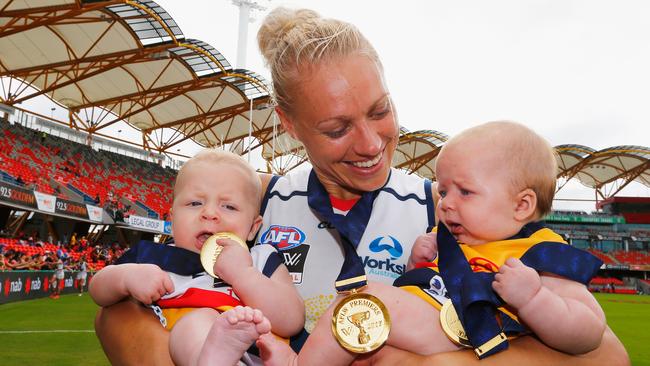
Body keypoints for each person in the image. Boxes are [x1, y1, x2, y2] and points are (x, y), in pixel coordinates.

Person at [94, 7, 629, 366]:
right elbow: (120, 317)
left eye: (380, 111)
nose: (372, 143)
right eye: (337, 128)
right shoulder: (248, 208)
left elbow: (609, 355)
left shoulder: (443, 207)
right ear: (288, 123)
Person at [257, 121, 607, 365]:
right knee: (362, 310)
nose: (447, 203)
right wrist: (415, 266)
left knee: (366, 302)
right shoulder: (452, 241)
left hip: (475, 333)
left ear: (522, 205)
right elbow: (432, 289)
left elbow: (588, 332)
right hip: (439, 329)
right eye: (443, 190)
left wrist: (534, 299)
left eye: (465, 192)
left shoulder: (541, 253)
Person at [89, 149, 304, 366]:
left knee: (204, 323)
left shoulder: (260, 258)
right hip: (184, 346)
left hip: (255, 352)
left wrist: (244, 274)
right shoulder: (152, 256)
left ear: (253, 228)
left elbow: (292, 320)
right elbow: (97, 290)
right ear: (173, 219)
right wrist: (125, 278)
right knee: (195, 324)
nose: (209, 213)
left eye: (228, 206)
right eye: (195, 203)